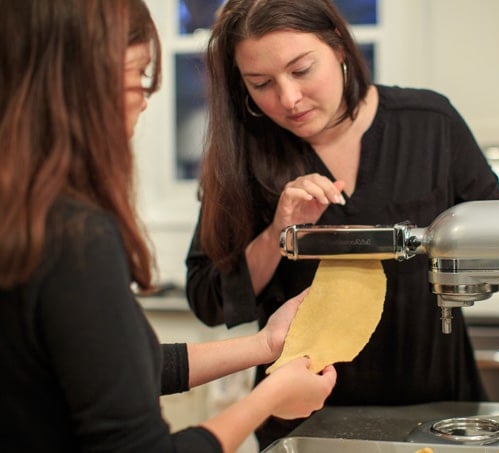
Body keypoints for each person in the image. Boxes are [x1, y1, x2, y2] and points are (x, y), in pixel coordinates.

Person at [0, 1, 336, 452]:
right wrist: (269, 397)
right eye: (137, 76)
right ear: (74, 83)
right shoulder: (73, 238)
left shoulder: (23, 215)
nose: (143, 99)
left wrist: (265, 344)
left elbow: (115, 367)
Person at [186, 0, 499, 448]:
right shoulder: (242, 158)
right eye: (261, 84)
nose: (288, 99)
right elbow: (208, 299)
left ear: (338, 45)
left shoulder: (430, 123)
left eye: (301, 71)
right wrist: (279, 232)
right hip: (303, 424)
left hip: (437, 409)